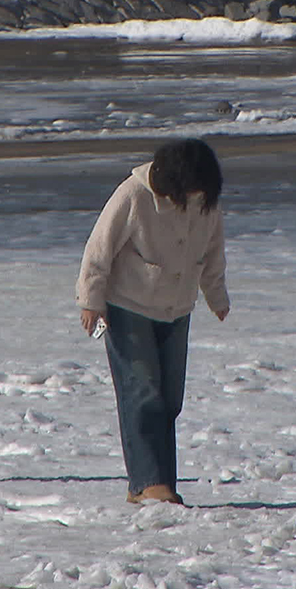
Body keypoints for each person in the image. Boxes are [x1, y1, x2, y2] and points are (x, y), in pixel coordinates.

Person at [77, 138, 230, 506]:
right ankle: (152, 483)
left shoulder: (206, 202)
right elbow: (98, 249)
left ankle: (145, 485)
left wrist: (217, 297)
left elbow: (212, 254)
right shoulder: (134, 195)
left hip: (176, 309)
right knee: (142, 393)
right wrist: (90, 301)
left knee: (168, 400)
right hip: (129, 306)